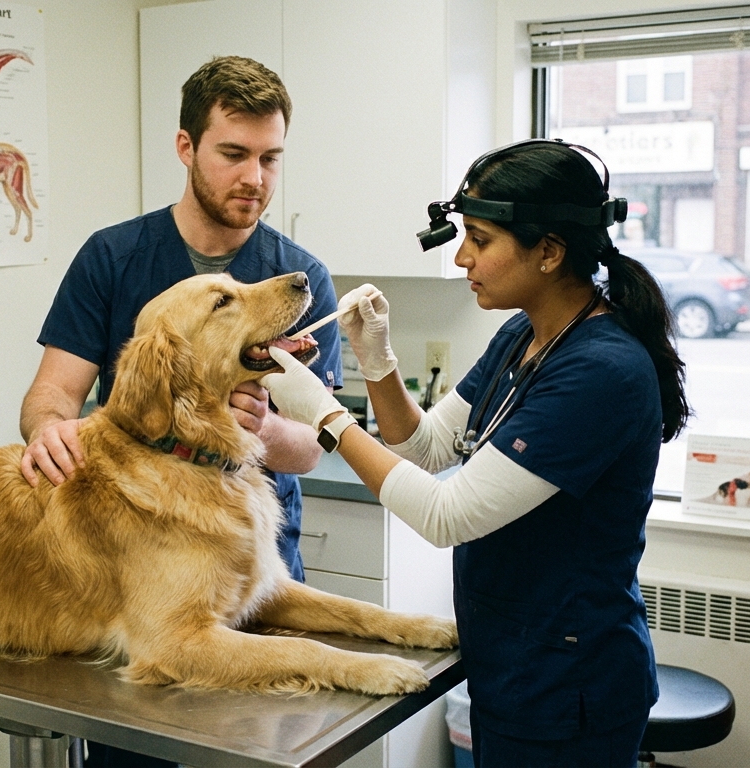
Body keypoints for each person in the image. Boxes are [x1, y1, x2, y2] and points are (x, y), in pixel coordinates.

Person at [261, 139, 690, 768]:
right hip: (511, 666)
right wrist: (377, 360)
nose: (462, 257)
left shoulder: (601, 371)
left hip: (568, 686)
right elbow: (426, 447)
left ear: (549, 251)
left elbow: (447, 514)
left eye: (481, 241)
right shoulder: (526, 334)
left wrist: (325, 418)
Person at [21, 56, 341, 767]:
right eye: (233, 155)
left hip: (252, 570)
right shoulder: (112, 258)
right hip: (132, 564)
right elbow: (52, 393)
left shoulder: (300, 280)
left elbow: (311, 447)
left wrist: (257, 424)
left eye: (269, 158)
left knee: (256, 751)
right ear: (185, 147)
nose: (254, 178)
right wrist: (47, 429)